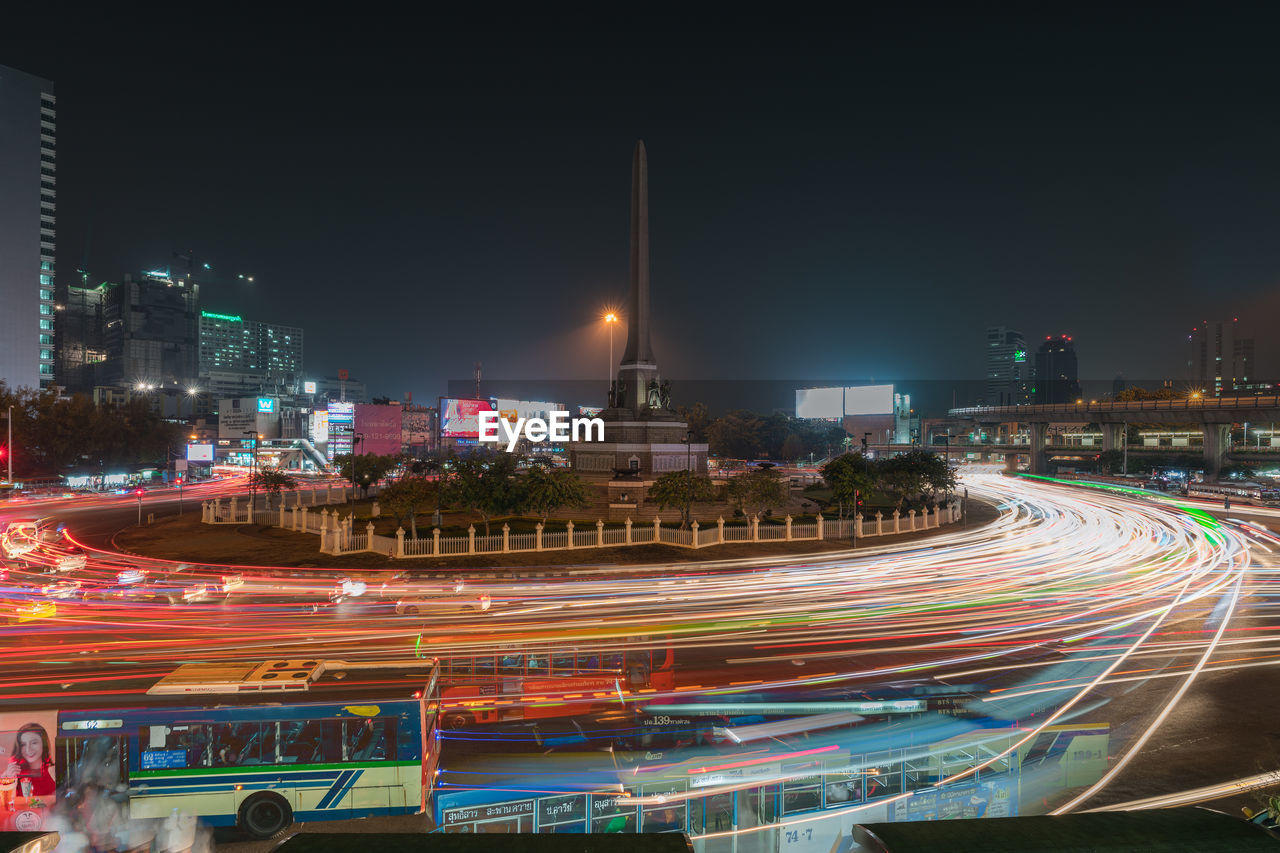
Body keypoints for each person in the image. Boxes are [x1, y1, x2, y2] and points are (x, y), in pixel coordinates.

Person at [4, 722, 55, 796]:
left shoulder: (53, 771)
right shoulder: (10, 774)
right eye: (23, 744)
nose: (28, 749)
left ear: (43, 744)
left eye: (34, 743)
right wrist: (10, 780)